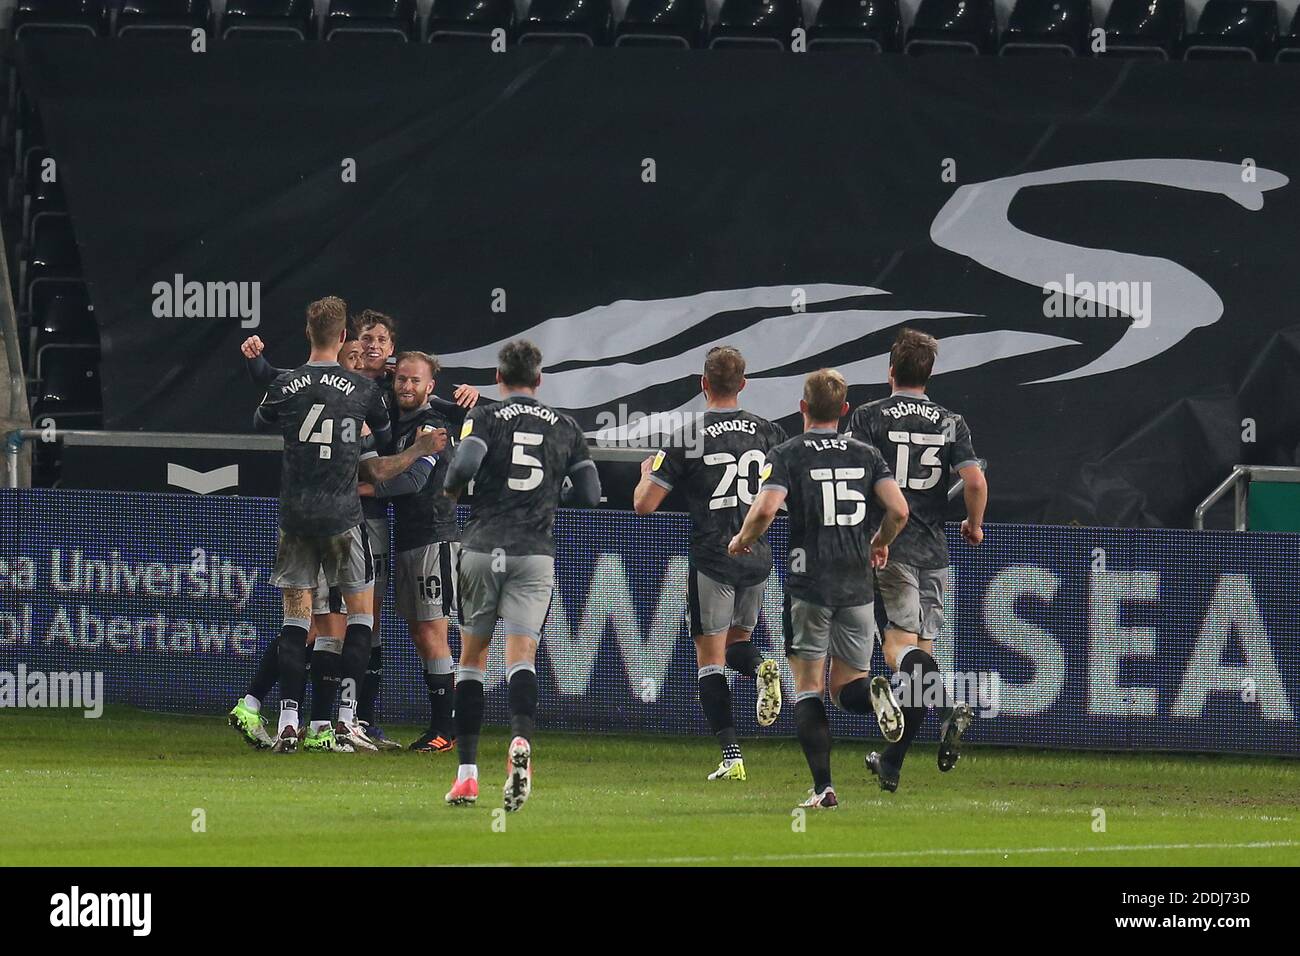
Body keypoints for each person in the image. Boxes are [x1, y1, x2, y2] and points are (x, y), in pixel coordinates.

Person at [729, 368, 909, 809]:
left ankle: (823, 788)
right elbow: (899, 510)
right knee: (848, 686)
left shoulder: (787, 452)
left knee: (808, 688)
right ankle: (874, 693)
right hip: (857, 584)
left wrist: (742, 540)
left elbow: (767, 508)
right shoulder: (866, 454)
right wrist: (879, 543)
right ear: (844, 410)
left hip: (809, 583)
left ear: (802, 407)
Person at [441, 340, 601, 810]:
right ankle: (520, 742)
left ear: (498, 377)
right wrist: (550, 500)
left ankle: (467, 775)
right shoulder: (567, 426)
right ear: (540, 379)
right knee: (522, 658)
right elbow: (592, 494)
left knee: (471, 660)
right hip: (534, 553)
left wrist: (452, 489)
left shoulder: (486, 417)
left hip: (482, 546)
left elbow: (465, 464)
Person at [633, 346, 786, 782]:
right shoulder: (769, 433)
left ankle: (732, 755)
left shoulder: (688, 434)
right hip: (756, 555)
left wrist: (648, 472)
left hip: (713, 557)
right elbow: (784, 493)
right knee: (738, 646)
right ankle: (760, 668)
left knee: (710, 661)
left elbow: (645, 505)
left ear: (703, 384)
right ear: (743, 384)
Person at [844, 328, 983, 792]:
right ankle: (892, 764)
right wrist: (975, 524)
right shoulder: (951, 421)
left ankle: (947, 706)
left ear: (890, 370)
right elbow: (975, 481)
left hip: (890, 544)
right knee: (921, 660)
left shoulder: (868, 417)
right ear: (930, 373)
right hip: (935, 549)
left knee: (897, 653)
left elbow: (851, 476)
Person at [357, 351, 462, 754]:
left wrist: (360, 489)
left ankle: (445, 730)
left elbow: (414, 481)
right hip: (410, 538)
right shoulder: (402, 422)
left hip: (434, 536)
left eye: (415, 381)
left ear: (430, 387)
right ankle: (438, 728)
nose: (405, 386)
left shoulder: (433, 425)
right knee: (422, 632)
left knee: (432, 632)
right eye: (401, 378)